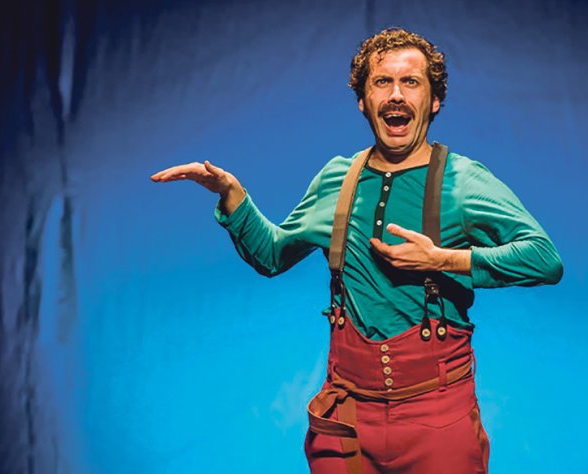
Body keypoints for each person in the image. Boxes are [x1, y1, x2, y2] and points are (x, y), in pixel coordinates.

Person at [151, 27, 562, 474]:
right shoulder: (337, 178)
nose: (396, 94)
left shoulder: (462, 181)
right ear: (364, 101)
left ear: (434, 100)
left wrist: (444, 260)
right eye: (382, 82)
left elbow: (543, 259)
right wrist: (232, 195)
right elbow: (271, 255)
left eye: (411, 82)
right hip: (346, 418)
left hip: (437, 417)